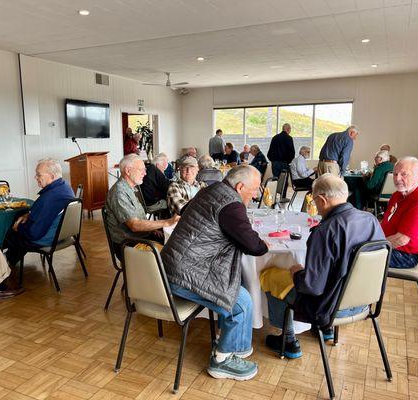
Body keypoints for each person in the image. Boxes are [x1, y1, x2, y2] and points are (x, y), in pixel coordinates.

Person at [161, 165, 269, 380]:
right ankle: (222, 360)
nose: (256, 194)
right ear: (240, 186)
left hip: (173, 266)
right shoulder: (231, 204)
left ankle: (229, 343)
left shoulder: (211, 190)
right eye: (255, 189)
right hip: (184, 275)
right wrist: (263, 244)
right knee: (242, 302)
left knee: (237, 288)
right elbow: (252, 245)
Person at [265, 174, 385, 357]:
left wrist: (297, 272)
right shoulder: (370, 220)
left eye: (314, 201)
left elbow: (311, 287)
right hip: (364, 302)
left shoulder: (326, 230)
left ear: (322, 199)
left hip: (329, 307)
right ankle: (326, 330)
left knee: (271, 276)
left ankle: (288, 341)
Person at [4, 159, 76, 268]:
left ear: (51, 176)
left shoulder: (50, 197)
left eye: (38, 175)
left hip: (45, 239)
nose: (35, 178)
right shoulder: (65, 187)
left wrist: (18, 227)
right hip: (61, 234)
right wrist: (28, 215)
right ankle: (8, 260)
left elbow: (34, 234)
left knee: (4, 234)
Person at [105, 154, 179, 259]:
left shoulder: (130, 188)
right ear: (128, 171)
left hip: (140, 237)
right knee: (170, 255)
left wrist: (151, 229)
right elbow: (134, 225)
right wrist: (167, 222)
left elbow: (138, 218)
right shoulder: (119, 193)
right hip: (127, 245)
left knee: (175, 244)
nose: (145, 174)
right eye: (141, 170)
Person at [380, 157, 418, 268]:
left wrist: (372, 244)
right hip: (390, 245)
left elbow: (402, 240)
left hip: (405, 255)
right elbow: (386, 221)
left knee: (352, 254)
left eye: (404, 174)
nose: (397, 179)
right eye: (395, 174)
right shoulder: (398, 194)